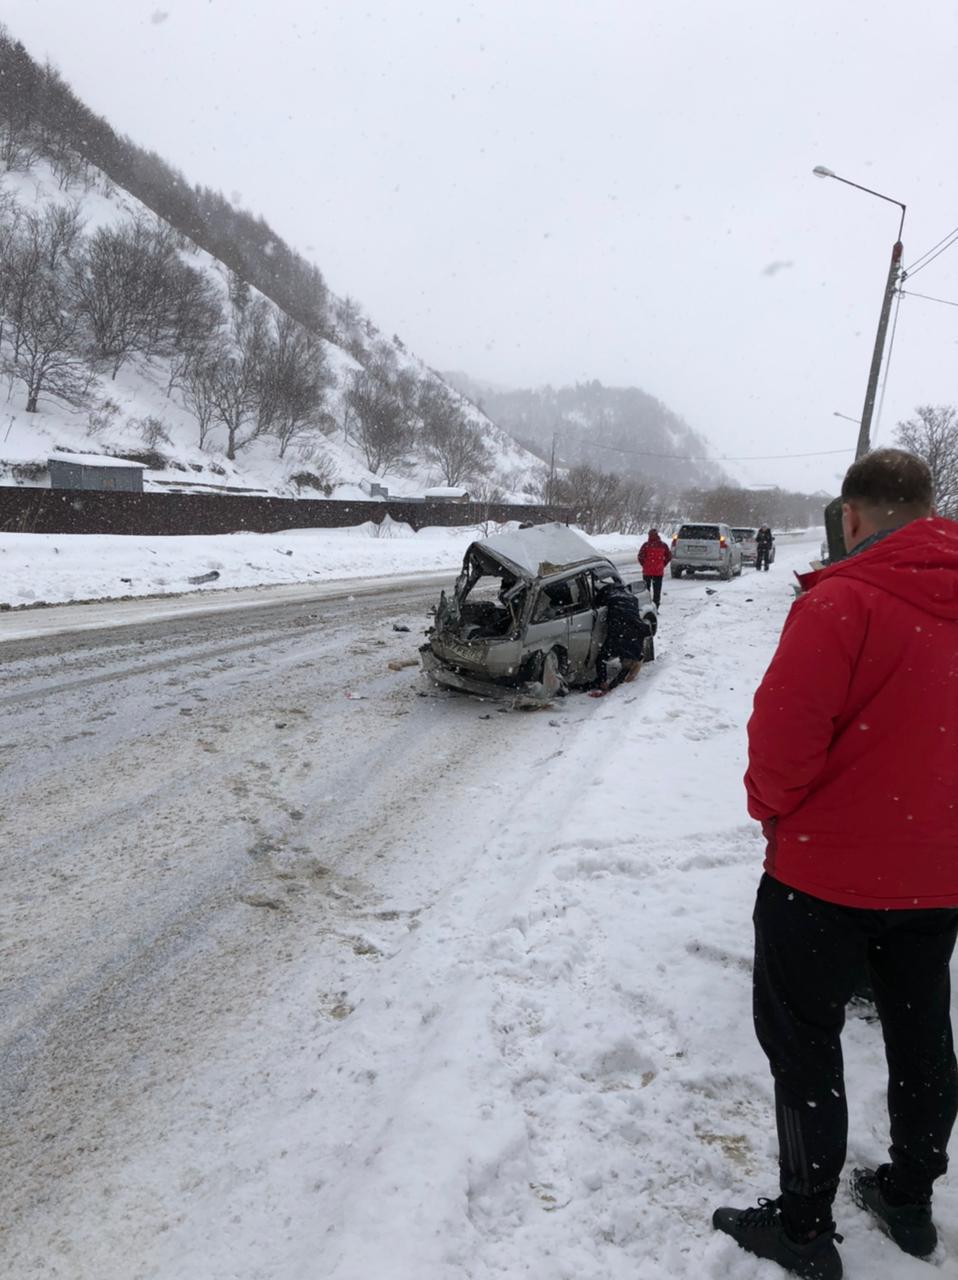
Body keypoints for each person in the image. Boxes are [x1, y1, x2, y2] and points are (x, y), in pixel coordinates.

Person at [712, 449, 958, 1279]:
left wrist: (775, 812)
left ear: (851, 518)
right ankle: (910, 1199)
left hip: (821, 880)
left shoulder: (841, 604)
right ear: (932, 513)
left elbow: (779, 748)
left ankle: (805, 1228)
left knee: (805, 1043)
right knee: (922, 1031)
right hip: (940, 880)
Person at [592, 580, 652, 692]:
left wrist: (606, 683)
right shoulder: (616, 641)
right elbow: (601, 659)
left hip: (623, 598)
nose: (619, 662)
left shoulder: (636, 643)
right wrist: (603, 682)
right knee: (603, 655)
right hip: (611, 596)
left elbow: (646, 631)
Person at [637, 528, 671, 605]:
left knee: (646, 590)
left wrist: (645, 564)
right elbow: (669, 556)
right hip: (658, 572)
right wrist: (663, 564)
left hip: (647, 572)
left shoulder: (646, 545)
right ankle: (656, 604)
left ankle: (647, 605)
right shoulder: (663, 545)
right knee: (657, 590)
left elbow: (640, 556)